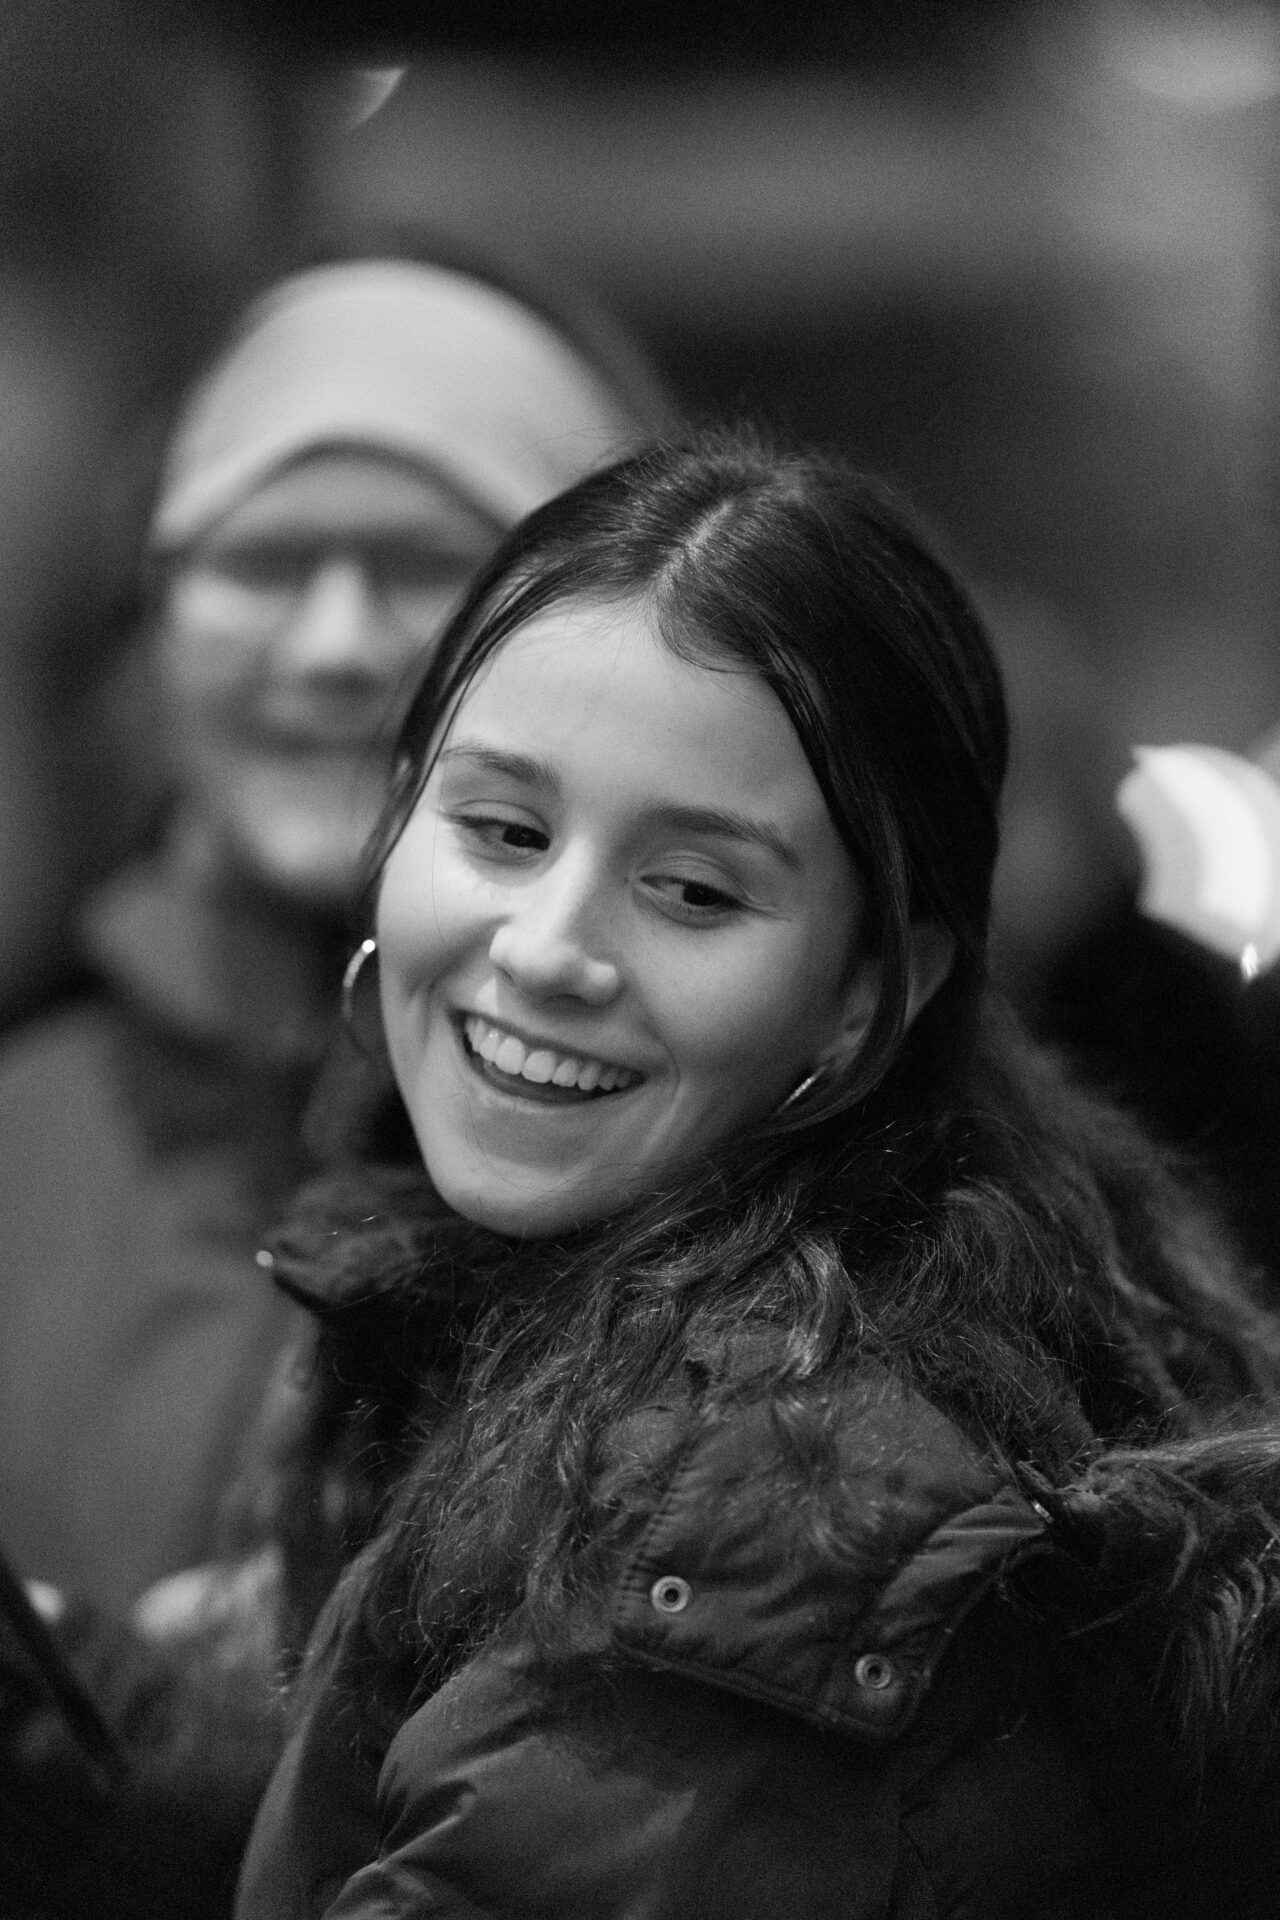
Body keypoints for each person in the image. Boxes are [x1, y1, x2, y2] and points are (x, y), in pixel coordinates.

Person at [219, 426, 1280, 1920]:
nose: (547, 949)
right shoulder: (610, 1308)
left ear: (870, 992)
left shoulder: (765, 1515)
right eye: (503, 829)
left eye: (694, 891)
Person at [0, 232, 670, 1613]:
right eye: (262, 562)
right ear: (154, 616)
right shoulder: (28, 1131)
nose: (332, 646)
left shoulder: (680, 1142)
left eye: (423, 564)